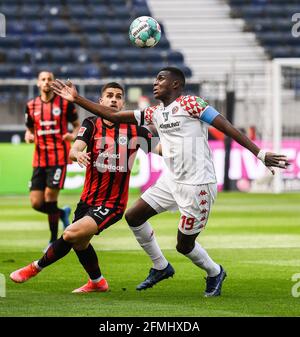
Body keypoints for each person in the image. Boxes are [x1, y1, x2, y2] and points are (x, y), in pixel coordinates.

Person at [50, 67, 289, 297]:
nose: (155, 82)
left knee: (184, 246)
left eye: (161, 79)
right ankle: (161, 266)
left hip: (198, 186)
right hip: (171, 180)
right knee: (134, 216)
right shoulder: (155, 112)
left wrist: (259, 154)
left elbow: (226, 127)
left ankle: (215, 272)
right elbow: (112, 115)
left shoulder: (192, 104)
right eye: (155, 79)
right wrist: (77, 98)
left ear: (175, 84)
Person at [10, 82, 158, 293]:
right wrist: (77, 153)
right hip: (87, 200)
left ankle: (35, 267)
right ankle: (97, 282)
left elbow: (160, 149)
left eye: (118, 96)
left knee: (70, 234)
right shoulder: (91, 123)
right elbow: (73, 150)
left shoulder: (135, 129)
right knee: (80, 243)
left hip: (112, 203)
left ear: (123, 103)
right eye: (109, 95)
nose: (114, 99)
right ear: (101, 101)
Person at [24, 71, 80, 251]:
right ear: (38, 83)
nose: (46, 82)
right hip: (39, 159)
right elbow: (29, 129)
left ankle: (52, 241)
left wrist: (72, 135)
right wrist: (29, 136)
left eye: (49, 79)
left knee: (49, 198)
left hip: (58, 158)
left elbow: (78, 125)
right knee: (36, 203)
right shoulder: (31, 105)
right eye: (43, 79)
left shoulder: (64, 104)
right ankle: (62, 213)